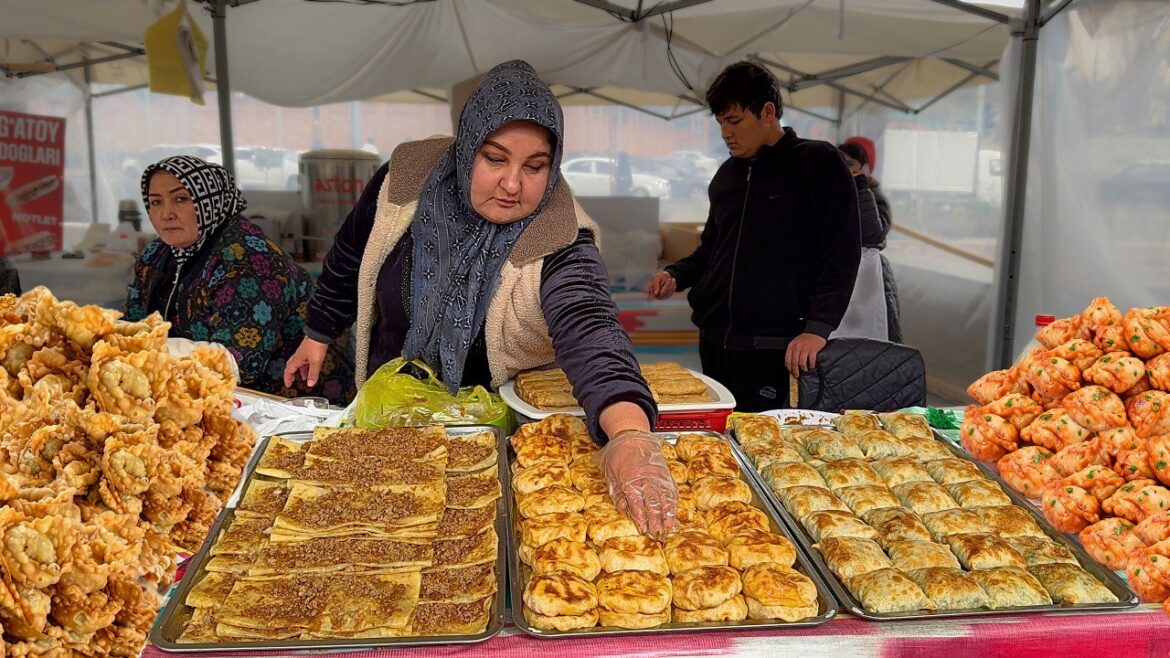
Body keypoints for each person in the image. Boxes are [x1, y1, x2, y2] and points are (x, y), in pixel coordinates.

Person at [284, 60, 676, 537]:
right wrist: (319, 331)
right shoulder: (405, 179)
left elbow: (588, 323)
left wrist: (630, 434)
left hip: (493, 440)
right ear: (467, 147)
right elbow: (351, 251)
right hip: (387, 416)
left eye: (535, 167)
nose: (513, 185)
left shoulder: (559, 230)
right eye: (495, 159)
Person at [645, 61, 861, 412]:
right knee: (718, 441)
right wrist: (676, 274)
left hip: (776, 346)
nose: (726, 134)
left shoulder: (817, 163)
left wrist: (818, 328)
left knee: (765, 442)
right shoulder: (728, 175)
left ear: (768, 112)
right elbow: (713, 247)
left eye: (734, 121)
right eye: (720, 124)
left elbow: (842, 252)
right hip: (714, 340)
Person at [124, 155, 354, 403]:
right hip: (209, 394)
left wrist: (149, 351)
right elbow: (134, 325)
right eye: (155, 202)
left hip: (292, 403)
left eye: (181, 199)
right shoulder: (155, 256)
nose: (166, 213)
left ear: (211, 201)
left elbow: (240, 362)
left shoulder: (247, 257)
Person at [838, 140, 901, 343]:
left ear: (864, 168)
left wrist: (860, 190)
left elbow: (874, 236)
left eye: (849, 163)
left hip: (870, 282)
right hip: (840, 281)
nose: (842, 169)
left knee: (871, 346)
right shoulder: (830, 194)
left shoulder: (873, 197)